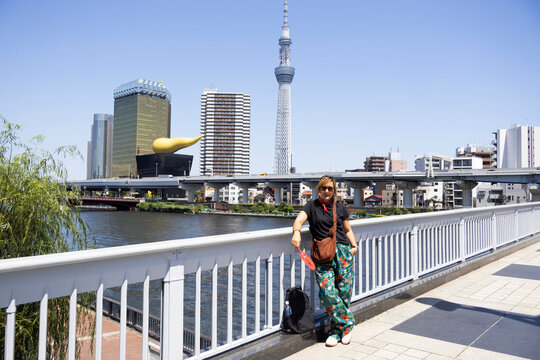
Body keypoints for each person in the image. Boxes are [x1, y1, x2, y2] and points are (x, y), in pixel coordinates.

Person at [291, 175, 358, 347]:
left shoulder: (340, 207)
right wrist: (297, 232)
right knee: (327, 293)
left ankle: (337, 331)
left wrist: (354, 246)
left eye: (330, 188)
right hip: (322, 255)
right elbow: (299, 220)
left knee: (343, 294)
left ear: (334, 191)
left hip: (343, 253)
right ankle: (348, 322)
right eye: (323, 188)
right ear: (318, 189)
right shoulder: (311, 206)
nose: (326, 191)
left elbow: (348, 230)